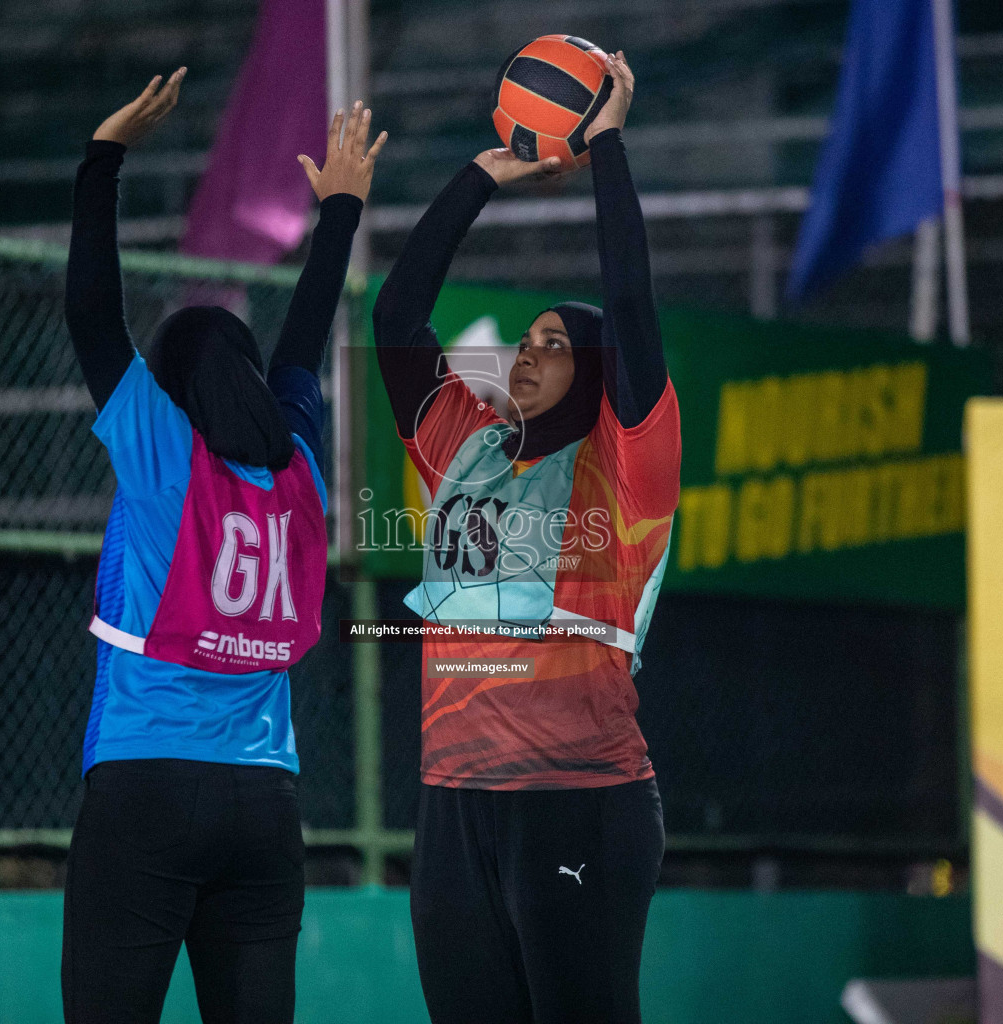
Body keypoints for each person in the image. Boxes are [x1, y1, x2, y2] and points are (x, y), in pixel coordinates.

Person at [60, 69, 384, 1024]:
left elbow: (91, 316)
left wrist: (102, 161)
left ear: (166, 391)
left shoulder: (165, 460)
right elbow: (303, 346)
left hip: (146, 788)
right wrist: (342, 216)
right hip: (264, 805)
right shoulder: (300, 475)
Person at [371, 52, 679, 1024]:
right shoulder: (462, 440)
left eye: (556, 343)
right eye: (527, 338)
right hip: (456, 800)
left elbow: (628, 306)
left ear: (597, 375)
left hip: (580, 792)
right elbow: (396, 317)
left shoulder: (627, 463)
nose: (529, 352)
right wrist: (477, 182)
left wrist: (610, 147)